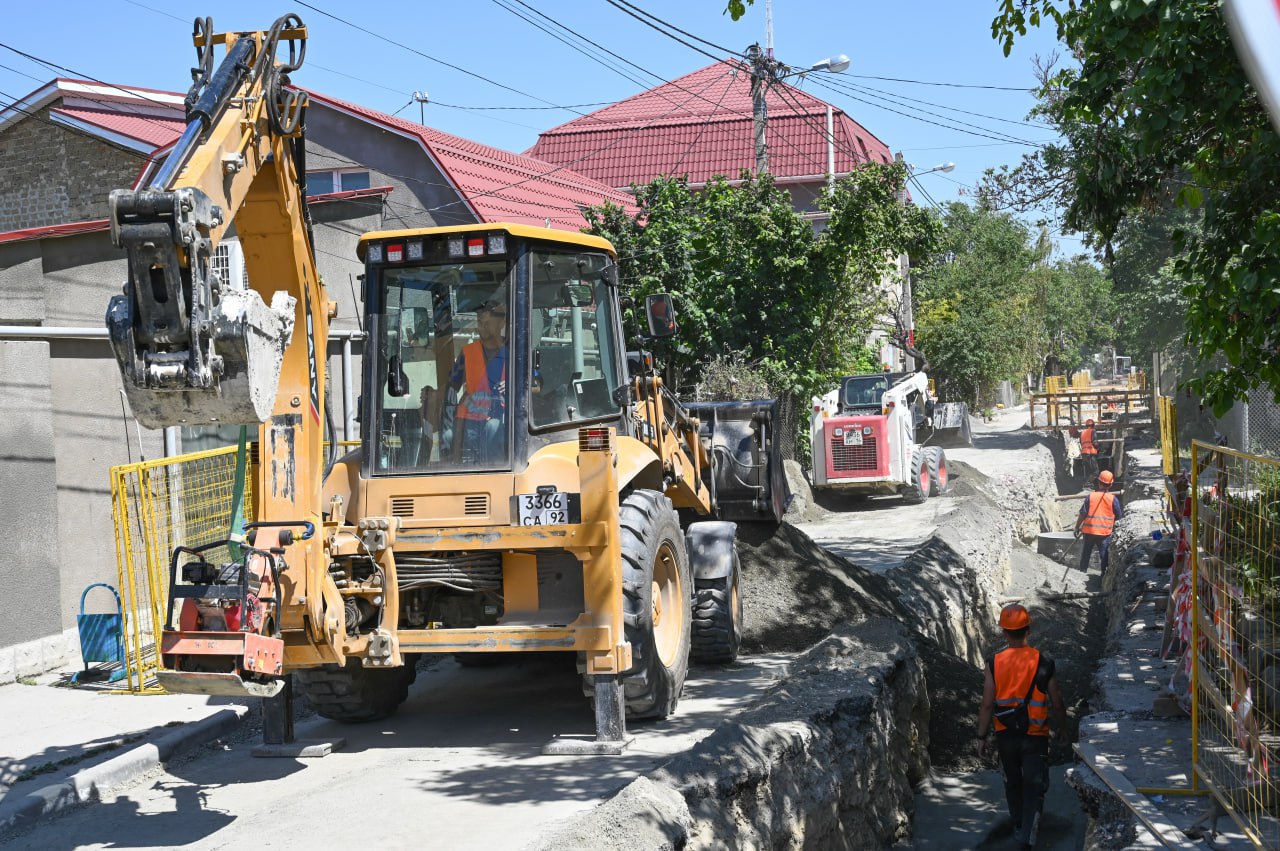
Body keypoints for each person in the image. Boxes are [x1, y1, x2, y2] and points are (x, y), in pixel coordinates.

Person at [976, 604, 1067, 850]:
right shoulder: (1044, 662)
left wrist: (981, 736)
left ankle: (1018, 824)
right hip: (1035, 735)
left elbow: (986, 704)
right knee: (1035, 782)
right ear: (1028, 630)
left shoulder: (994, 663)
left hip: (1006, 735)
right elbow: (1057, 701)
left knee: (1012, 780)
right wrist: (1063, 729)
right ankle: (1030, 829)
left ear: (1004, 633)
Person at [441, 298, 508, 463]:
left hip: (506, 424)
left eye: (487, 323)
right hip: (471, 423)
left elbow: (536, 384)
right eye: (479, 322)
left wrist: (514, 385)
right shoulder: (468, 354)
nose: (482, 327)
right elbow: (451, 387)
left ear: (502, 323)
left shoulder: (515, 350)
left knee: (494, 431)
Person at [1075, 469, 1122, 574]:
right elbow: (1119, 517)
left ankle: (1082, 572)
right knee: (1104, 554)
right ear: (1110, 485)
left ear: (1099, 482)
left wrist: (1077, 527)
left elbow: (1083, 514)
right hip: (1105, 533)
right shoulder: (1113, 499)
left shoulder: (1090, 497)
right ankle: (1104, 574)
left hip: (1089, 531)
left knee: (1086, 552)